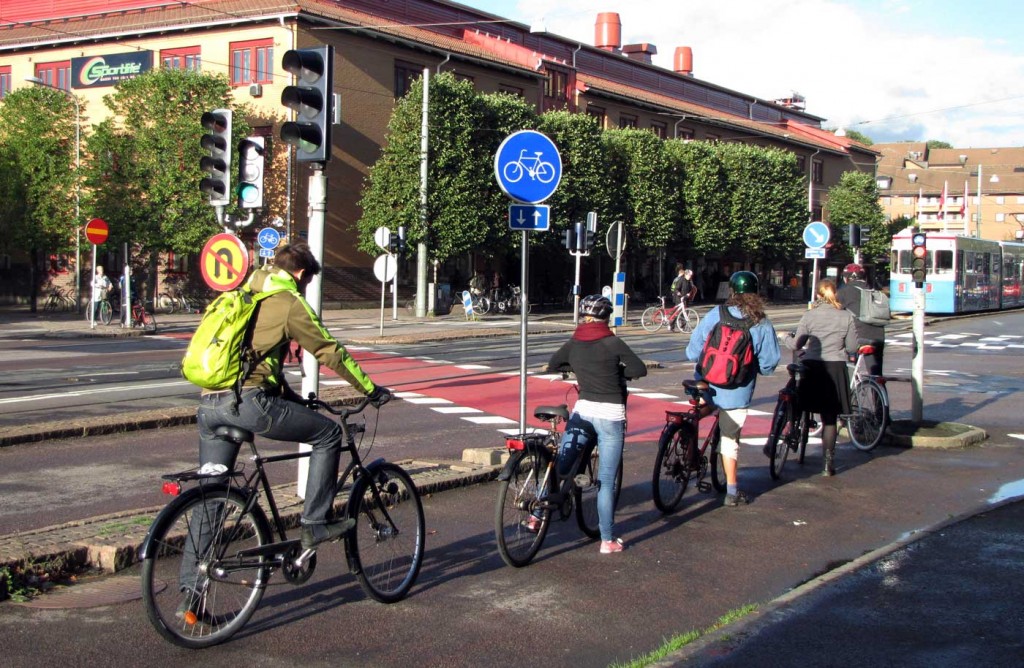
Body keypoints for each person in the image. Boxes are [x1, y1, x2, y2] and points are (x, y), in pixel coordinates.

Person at [195, 243, 389, 551]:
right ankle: (315, 524)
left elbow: (261, 364)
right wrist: (370, 389)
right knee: (327, 435)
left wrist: (294, 401)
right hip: (247, 404)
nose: (306, 287)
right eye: (307, 281)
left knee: (209, 499)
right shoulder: (287, 302)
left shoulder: (244, 294)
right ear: (299, 274)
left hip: (209, 405)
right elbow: (328, 350)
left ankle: (191, 593)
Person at [545, 295, 647, 553]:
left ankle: (536, 515)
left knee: (560, 465)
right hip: (610, 415)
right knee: (606, 481)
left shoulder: (575, 341)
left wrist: (579, 368)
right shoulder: (613, 342)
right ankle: (607, 540)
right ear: (607, 318)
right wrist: (616, 372)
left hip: (583, 411)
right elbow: (639, 369)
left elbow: (553, 363)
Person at [685, 271, 781, 506]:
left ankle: (686, 440)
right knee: (730, 440)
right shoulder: (761, 322)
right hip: (737, 390)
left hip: (706, 380)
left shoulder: (716, 314)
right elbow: (769, 364)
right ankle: (731, 492)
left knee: (704, 407)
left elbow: (692, 351)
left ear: (732, 291)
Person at [785, 278, 858, 476]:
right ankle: (828, 463)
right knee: (830, 418)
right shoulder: (846, 316)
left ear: (817, 295)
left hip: (811, 367)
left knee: (800, 401)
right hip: (835, 368)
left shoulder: (810, 315)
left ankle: (794, 430)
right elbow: (852, 348)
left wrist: (785, 337)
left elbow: (796, 345)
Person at [837, 263, 886, 376]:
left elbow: (835, 313)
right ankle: (879, 390)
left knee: (849, 368)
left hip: (857, 336)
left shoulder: (843, 292)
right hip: (878, 336)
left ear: (845, 278)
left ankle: (851, 386)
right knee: (876, 374)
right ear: (864, 277)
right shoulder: (874, 291)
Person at [669, 265, 694, 331]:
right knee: (677, 313)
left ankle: (683, 326)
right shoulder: (680, 280)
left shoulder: (689, 281)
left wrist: (689, 294)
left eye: (691, 275)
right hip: (679, 298)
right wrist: (678, 293)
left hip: (685, 298)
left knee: (685, 312)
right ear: (686, 274)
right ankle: (671, 325)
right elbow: (676, 288)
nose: (690, 277)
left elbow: (691, 288)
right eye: (689, 275)